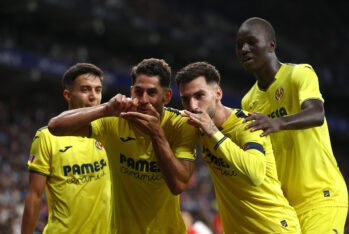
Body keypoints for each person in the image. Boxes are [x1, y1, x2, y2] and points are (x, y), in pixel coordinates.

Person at [47, 58, 198, 234]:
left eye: (151, 93)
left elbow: (178, 185)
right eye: (138, 91)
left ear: (167, 96)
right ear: (131, 91)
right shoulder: (115, 121)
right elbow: (55, 127)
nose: (143, 99)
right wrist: (105, 109)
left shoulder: (180, 125)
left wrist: (156, 133)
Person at [235, 17, 348, 233]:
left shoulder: (299, 74)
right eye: (239, 45)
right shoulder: (248, 101)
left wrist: (278, 122)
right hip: (287, 208)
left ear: (271, 44)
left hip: (322, 196)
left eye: (251, 41)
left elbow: (317, 113)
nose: (244, 49)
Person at [175, 61, 301, 233]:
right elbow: (163, 115)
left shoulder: (248, 124)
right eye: (185, 99)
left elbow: (255, 174)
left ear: (217, 93)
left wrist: (212, 131)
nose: (193, 105)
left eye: (199, 96)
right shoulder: (195, 123)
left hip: (273, 228)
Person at [21, 63, 111, 234]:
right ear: (68, 95)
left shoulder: (109, 131)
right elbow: (34, 197)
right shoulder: (47, 136)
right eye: (85, 89)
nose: (93, 96)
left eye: (98, 90)